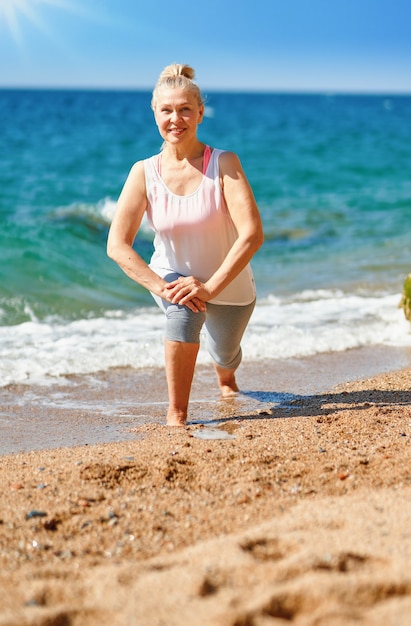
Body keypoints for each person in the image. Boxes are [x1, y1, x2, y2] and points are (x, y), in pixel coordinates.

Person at [107, 63, 263, 426]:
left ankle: (226, 376)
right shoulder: (143, 172)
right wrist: (162, 287)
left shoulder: (224, 164)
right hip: (171, 273)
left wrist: (208, 288)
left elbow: (252, 234)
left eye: (185, 109)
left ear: (200, 113)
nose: (175, 118)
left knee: (225, 354)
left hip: (230, 285)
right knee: (183, 310)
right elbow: (117, 244)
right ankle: (177, 416)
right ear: (154, 113)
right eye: (166, 110)